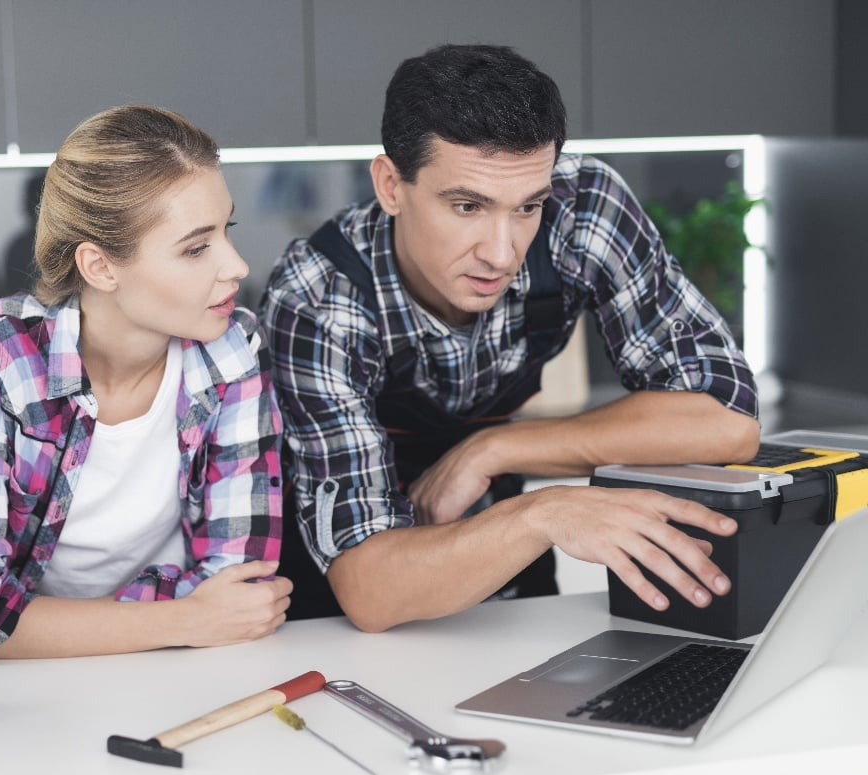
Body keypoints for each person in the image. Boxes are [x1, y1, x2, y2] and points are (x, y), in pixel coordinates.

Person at [259, 44, 760, 632]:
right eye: (467, 205)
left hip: (501, 544)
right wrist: (544, 513)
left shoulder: (584, 208)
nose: (502, 254)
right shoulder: (320, 299)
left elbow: (726, 419)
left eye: (528, 207)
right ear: (391, 185)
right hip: (345, 601)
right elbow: (372, 592)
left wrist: (493, 450)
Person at [0, 105, 292, 663]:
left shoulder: (233, 347)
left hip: (183, 667)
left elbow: (242, 594)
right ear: (100, 267)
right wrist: (186, 617)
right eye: (197, 248)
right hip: (31, 695)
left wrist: (45, 627)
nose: (238, 266)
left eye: (227, 231)